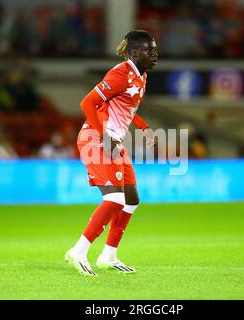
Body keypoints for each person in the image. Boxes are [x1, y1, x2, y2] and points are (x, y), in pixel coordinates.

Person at [65, 30, 158, 276]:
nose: (155, 54)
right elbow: (87, 103)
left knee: (131, 200)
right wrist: (106, 138)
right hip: (96, 138)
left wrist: (143, 127)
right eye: (150, 50)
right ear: (136, 52)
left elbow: (124, 108)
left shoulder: (141, 76)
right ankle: (79, 251)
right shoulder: (120, 74)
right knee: (115, 199)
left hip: (113, 141)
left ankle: (108, 255)